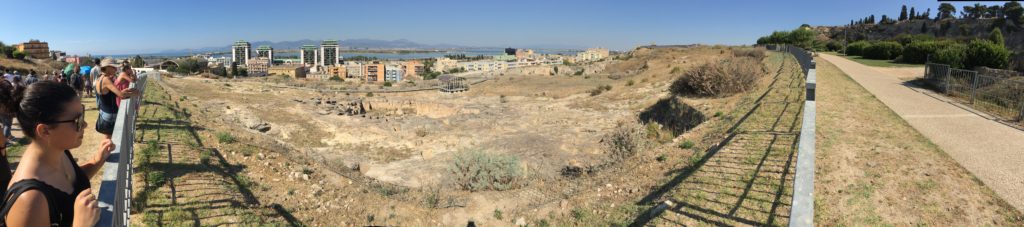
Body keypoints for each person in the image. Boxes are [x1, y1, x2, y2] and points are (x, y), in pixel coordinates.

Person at [0, 81, 113, 226]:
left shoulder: (59, 151)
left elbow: (70, 184)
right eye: (77, 120)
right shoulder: (30, 200)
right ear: (45, 131)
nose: (84, 124)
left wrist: (97, 160)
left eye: (83, 114)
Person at [94, 58, 137, 140]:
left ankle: (106, 152)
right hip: (110, 114)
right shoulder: (106, 80)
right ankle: (106, 153)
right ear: (107, 68)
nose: (116, 69)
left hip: (104, 112)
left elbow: (111, 93)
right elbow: (121, 95)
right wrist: (135, 93)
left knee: (107, 138)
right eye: (114, 67)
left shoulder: (99, 78)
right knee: (109, 139)